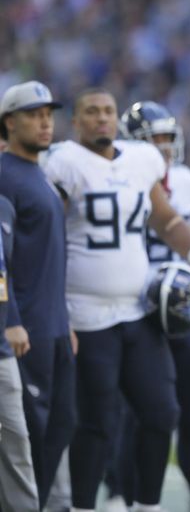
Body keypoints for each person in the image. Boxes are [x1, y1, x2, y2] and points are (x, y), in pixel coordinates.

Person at [43, 88, 190, 512]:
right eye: (92, 112)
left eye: (107, 110)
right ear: (77, 120)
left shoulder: (140, 163)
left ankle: (147, 504)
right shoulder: (64, 162)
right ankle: (85, 505)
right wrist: (56, 309)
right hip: (85, 315)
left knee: (161, 414)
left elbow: (168, 219)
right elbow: (49, 239)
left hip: (138, 312)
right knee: (97, 423)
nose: (101, 118)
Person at [114, 100, 190, 511]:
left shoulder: (183, 180)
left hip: (179, 303)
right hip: (137, 303)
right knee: (139, 413)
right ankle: (128, 498)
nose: (163, 147)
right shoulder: (120, 176)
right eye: (153, 139)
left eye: (166, 138)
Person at [0, 80, 76, 509]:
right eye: (33, 114)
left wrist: (64, 321)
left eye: (49, 114)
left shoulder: (38, 175)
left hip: (52, 326)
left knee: (60, 424)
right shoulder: (5, 177)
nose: (45, 122)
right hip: (25, 328)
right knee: (29, 433)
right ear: (10, 122)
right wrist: (9, 318)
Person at [0, 190, 40, 512]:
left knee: (16, 443)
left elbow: (3, 276)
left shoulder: (4, 207)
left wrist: (9, 318)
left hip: (1, 350)